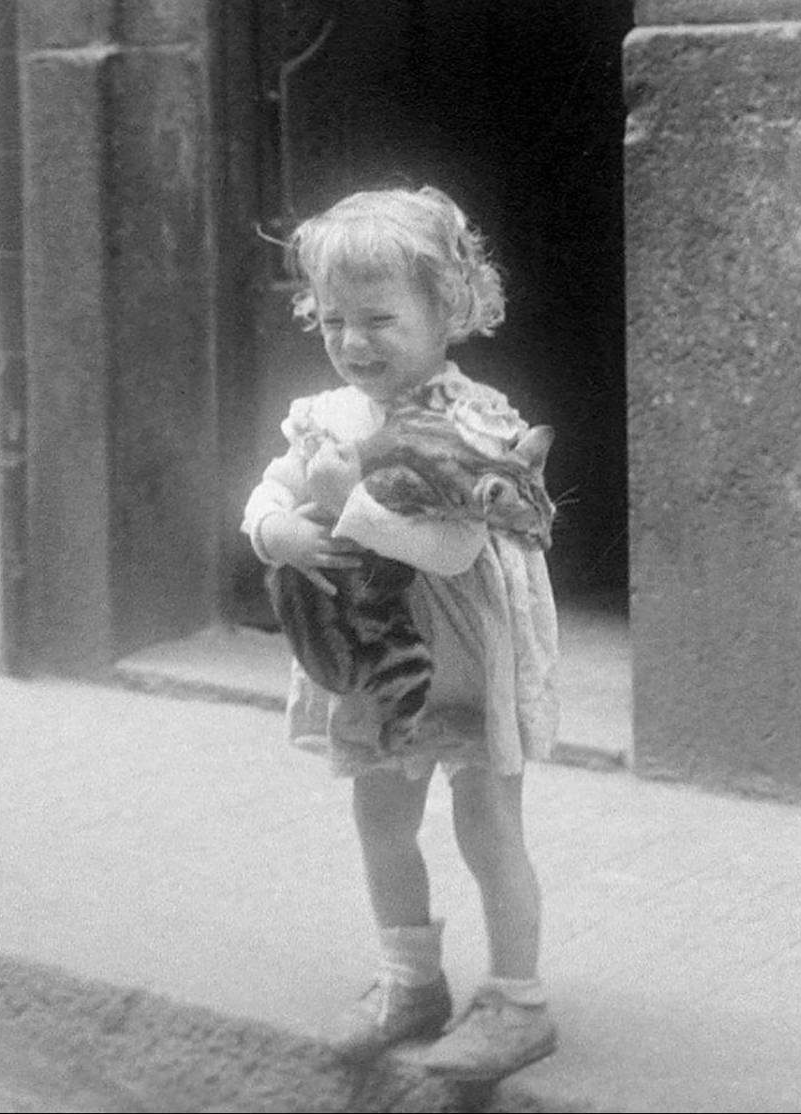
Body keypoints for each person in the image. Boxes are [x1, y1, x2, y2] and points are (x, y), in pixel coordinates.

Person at [241, 185, 560, 1080]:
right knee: (380, 812)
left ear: (447, 309)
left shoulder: (475, 420)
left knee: (485, 820)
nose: (352, 342)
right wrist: (275, 529)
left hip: (460, 647)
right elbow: (270, 485)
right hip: (377, 655)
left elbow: (454, 548)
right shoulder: (326, 414)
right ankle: (408, 981)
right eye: (332, 318)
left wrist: (347, 507)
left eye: (378, 318)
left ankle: (516, 1001)